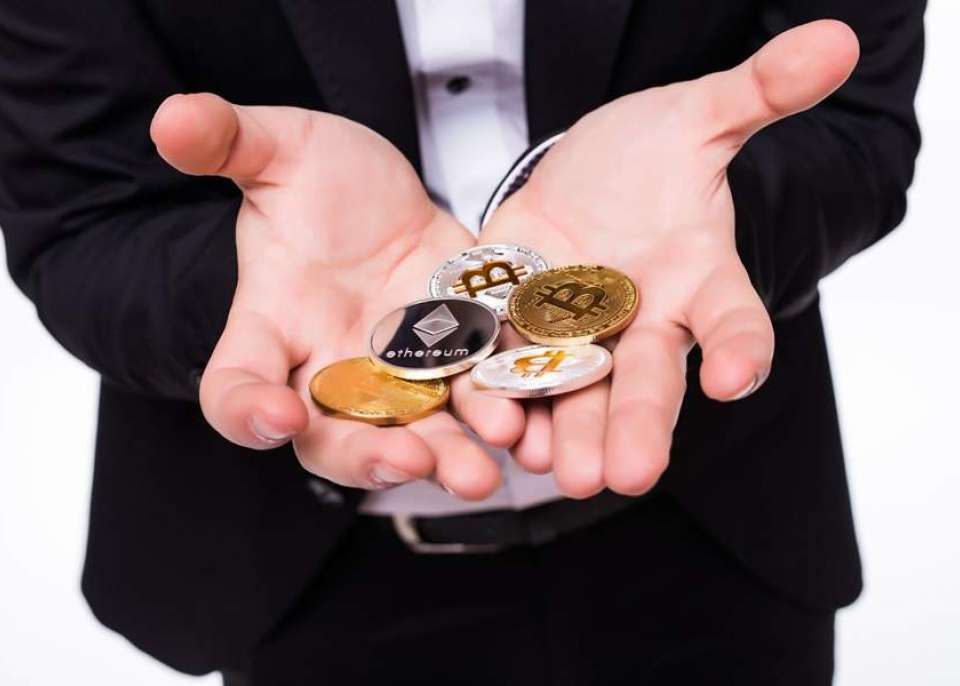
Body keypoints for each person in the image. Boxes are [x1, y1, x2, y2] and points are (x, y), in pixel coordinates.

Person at [0, 1, 925, 684]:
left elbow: (855, 129)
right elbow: (78, 218)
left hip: (722, 529)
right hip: (296, 574)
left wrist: (713, 222)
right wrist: (257, 295)